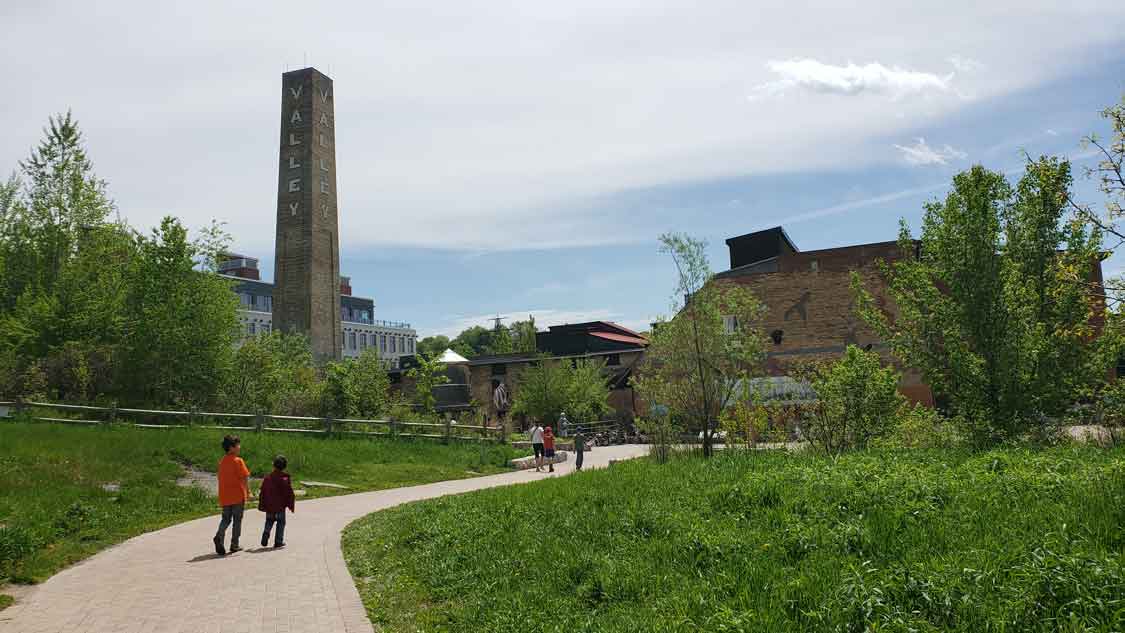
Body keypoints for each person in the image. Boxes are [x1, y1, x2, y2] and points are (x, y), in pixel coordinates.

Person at [213, 435, 251, 556]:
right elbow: (245, 478)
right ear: (232, 447)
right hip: (238, 496)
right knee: (237, 521)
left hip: (225, 496)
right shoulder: (238, 461)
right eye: (238, 445)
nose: (239, 447)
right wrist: (248, 492)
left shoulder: (222, 462)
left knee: (225, 519)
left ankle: (219, 535)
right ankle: (234, 544)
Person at [258, 455, 295, 548]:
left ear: (273, 465)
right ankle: (278, 541)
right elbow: (289, 492)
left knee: (269, 521)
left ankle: (266, 533)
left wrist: (262, 504)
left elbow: (263, 491)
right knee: (281, 523)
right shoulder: (285, 478)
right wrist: (290, 504)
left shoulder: (267, 478)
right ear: (285, 467)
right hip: (280, 507)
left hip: (270, 506)